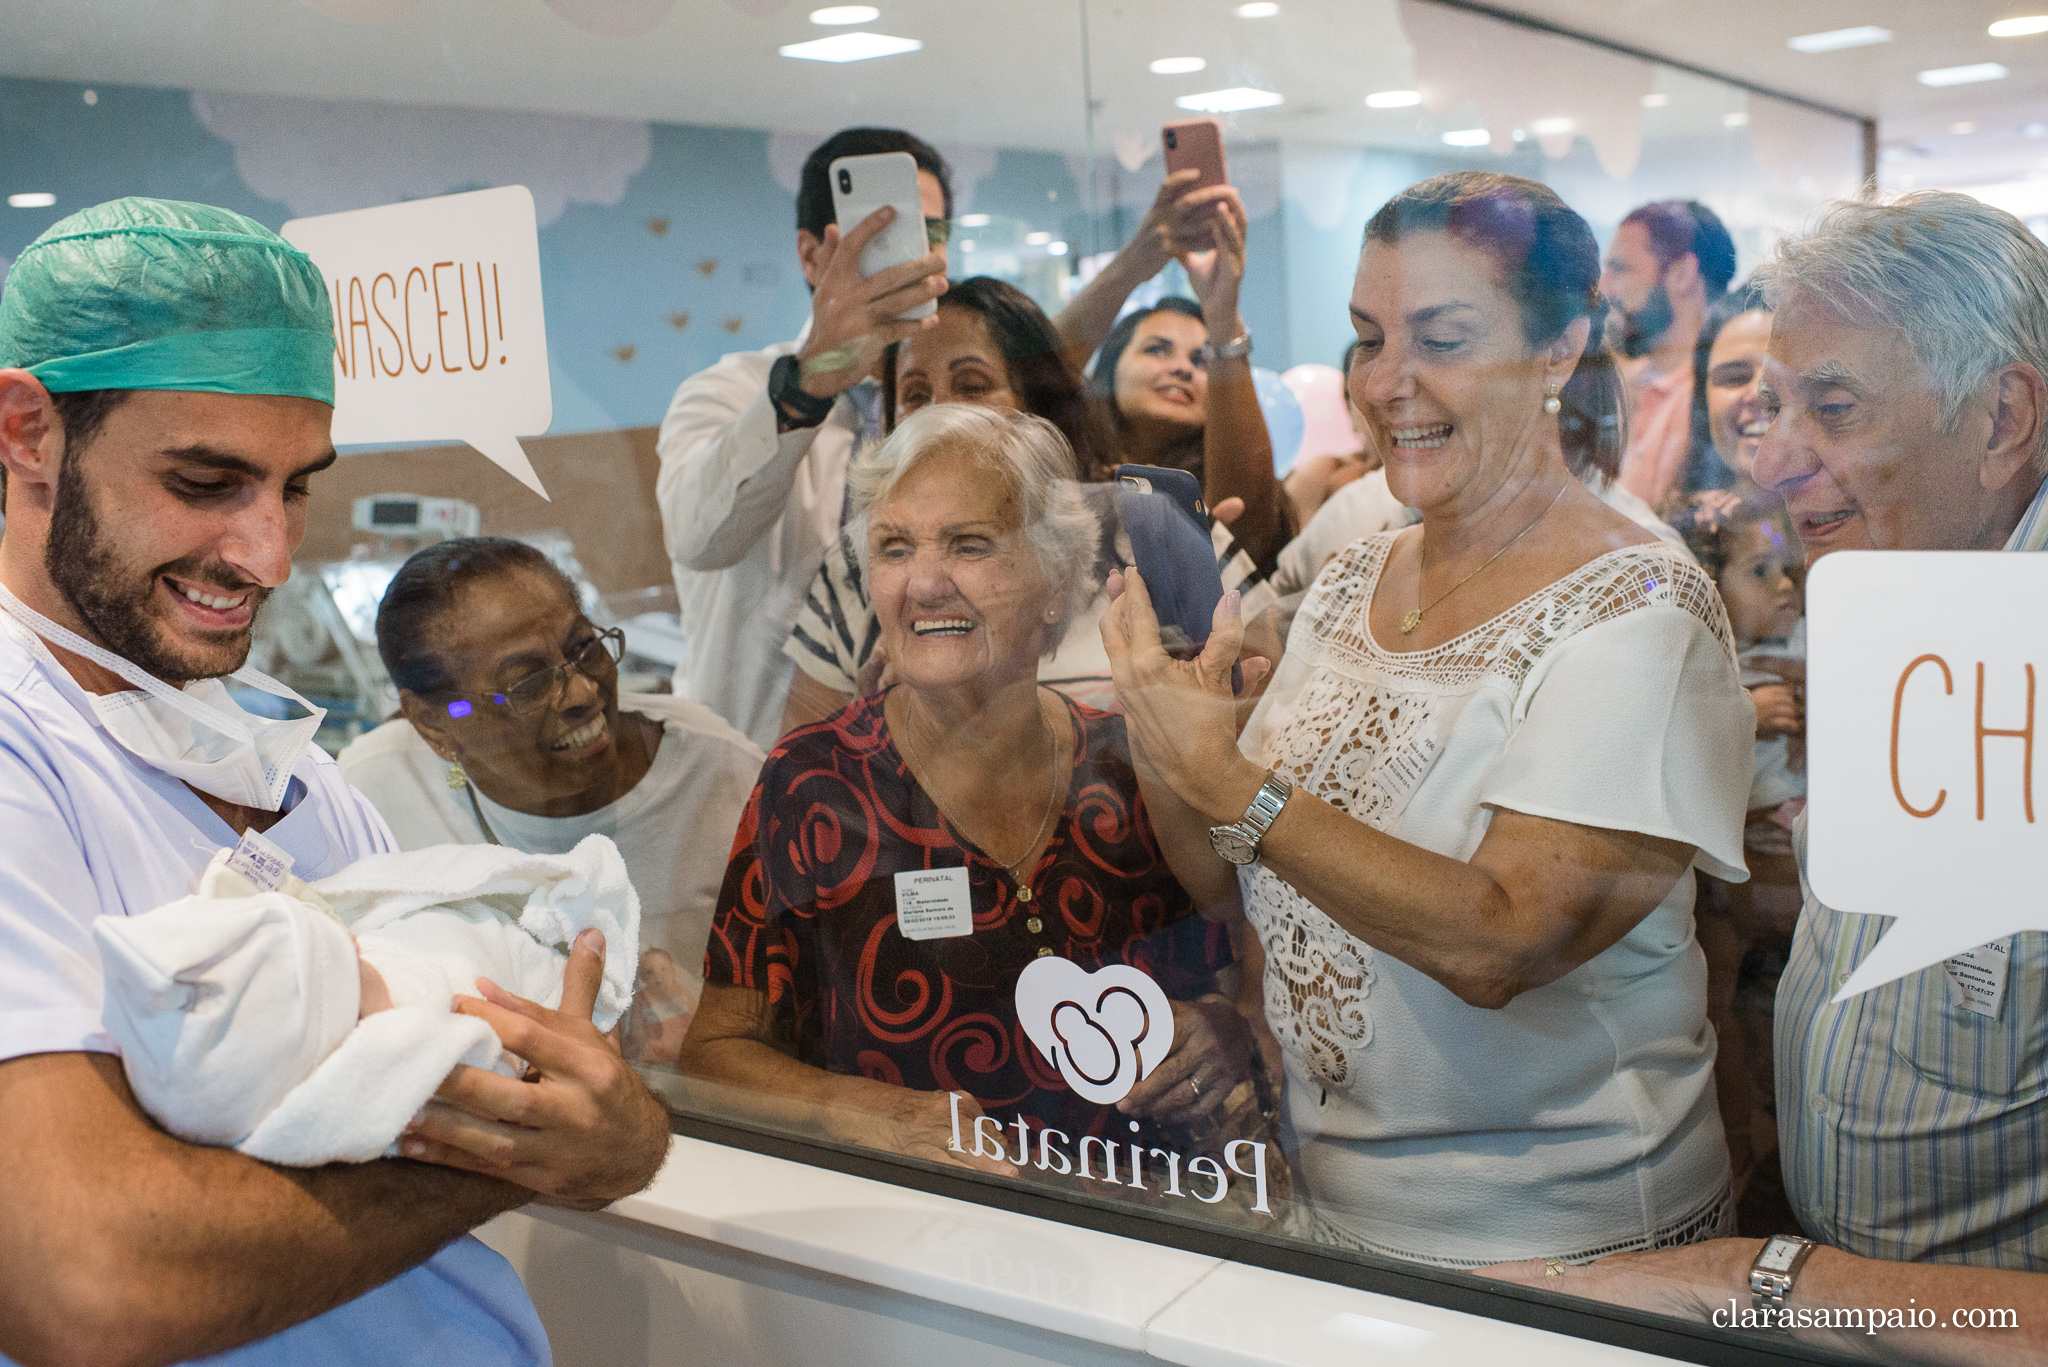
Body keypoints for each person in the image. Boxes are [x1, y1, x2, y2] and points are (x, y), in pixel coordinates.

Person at [0, 197, 668, 1367]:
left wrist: (588, 1103)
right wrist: (525, 1154)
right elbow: (92, 1284)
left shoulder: (298, 781)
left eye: (296, 485)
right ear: (25, 433)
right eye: (206, 482)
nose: (268, 553)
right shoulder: (26, 753)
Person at [1100, 172, 1755, 1267]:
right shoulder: (1355, 574)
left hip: (1569, 1248)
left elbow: (1501, 937)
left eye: (1441, 337)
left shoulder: (1638, 604)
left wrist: (1228, 782)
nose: (1386, 382)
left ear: (1560, 348)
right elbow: (1224, 873)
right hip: (1342, 1218)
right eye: (1366, 337)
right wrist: (1169, 724)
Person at [1485, 191, 2048, 1357]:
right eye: (1771, 406)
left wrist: (1761, 1274)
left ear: (2001, 418)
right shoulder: (1907, 600)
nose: (1776, 465)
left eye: (1830, 409)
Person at [682, 404, 1261, 1179]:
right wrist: (870, 1112)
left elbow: (1241, 984)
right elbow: (715, 1054)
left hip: (1148, 1234)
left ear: (1056, 581)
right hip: (915, 1244)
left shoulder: (1139, 767)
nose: (924, 582)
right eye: (894, 547)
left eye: (969, 544)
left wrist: (1222, 1034)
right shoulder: (813, 785)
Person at [779, 276, 1276, 727]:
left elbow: (1274, 706)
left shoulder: (1149, 526)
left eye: (972, 386)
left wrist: (1180, 724)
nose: (941, 411)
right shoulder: (857, 560)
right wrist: (873, 731)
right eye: (914, 392)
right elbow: (800, 775)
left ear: (1036, 406)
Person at [338, 537, 763, 1065]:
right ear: (433, 722)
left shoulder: (721, 780)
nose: (583, 693)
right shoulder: (377, 792)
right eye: (528, 683)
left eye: (585, 648)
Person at [655, 127, 953, 751]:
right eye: (876, 237)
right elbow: (699, 538)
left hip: (922, 774)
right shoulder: (727, 393)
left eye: (928, 237)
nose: (909, 259)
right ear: (812, 256)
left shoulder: (948, 407)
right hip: (749, 770)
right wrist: (811, 382)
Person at [97, 835, 639, 1166]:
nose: (350, 940)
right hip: (512, 966)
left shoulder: (321, 789)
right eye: (343, 961)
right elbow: (506, 1079)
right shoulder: (419, 1042)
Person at [1670, 494, 1805, 1202]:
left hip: (1793, 864)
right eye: (1760, 571)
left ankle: (1789, 1133)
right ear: (1709, 588)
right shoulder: (1700, 664)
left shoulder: (1810, 643)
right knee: (1720, 1000)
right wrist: (1744, 713)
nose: (1786, 584)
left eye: (1788, 567)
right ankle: (1737, 1134)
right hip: (1728, 875)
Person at [1601, 199, 1737, 510]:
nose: (1604, 288)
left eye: (1619, 269)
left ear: (1682, 274)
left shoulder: (1718, 397)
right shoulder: (1621, 386)